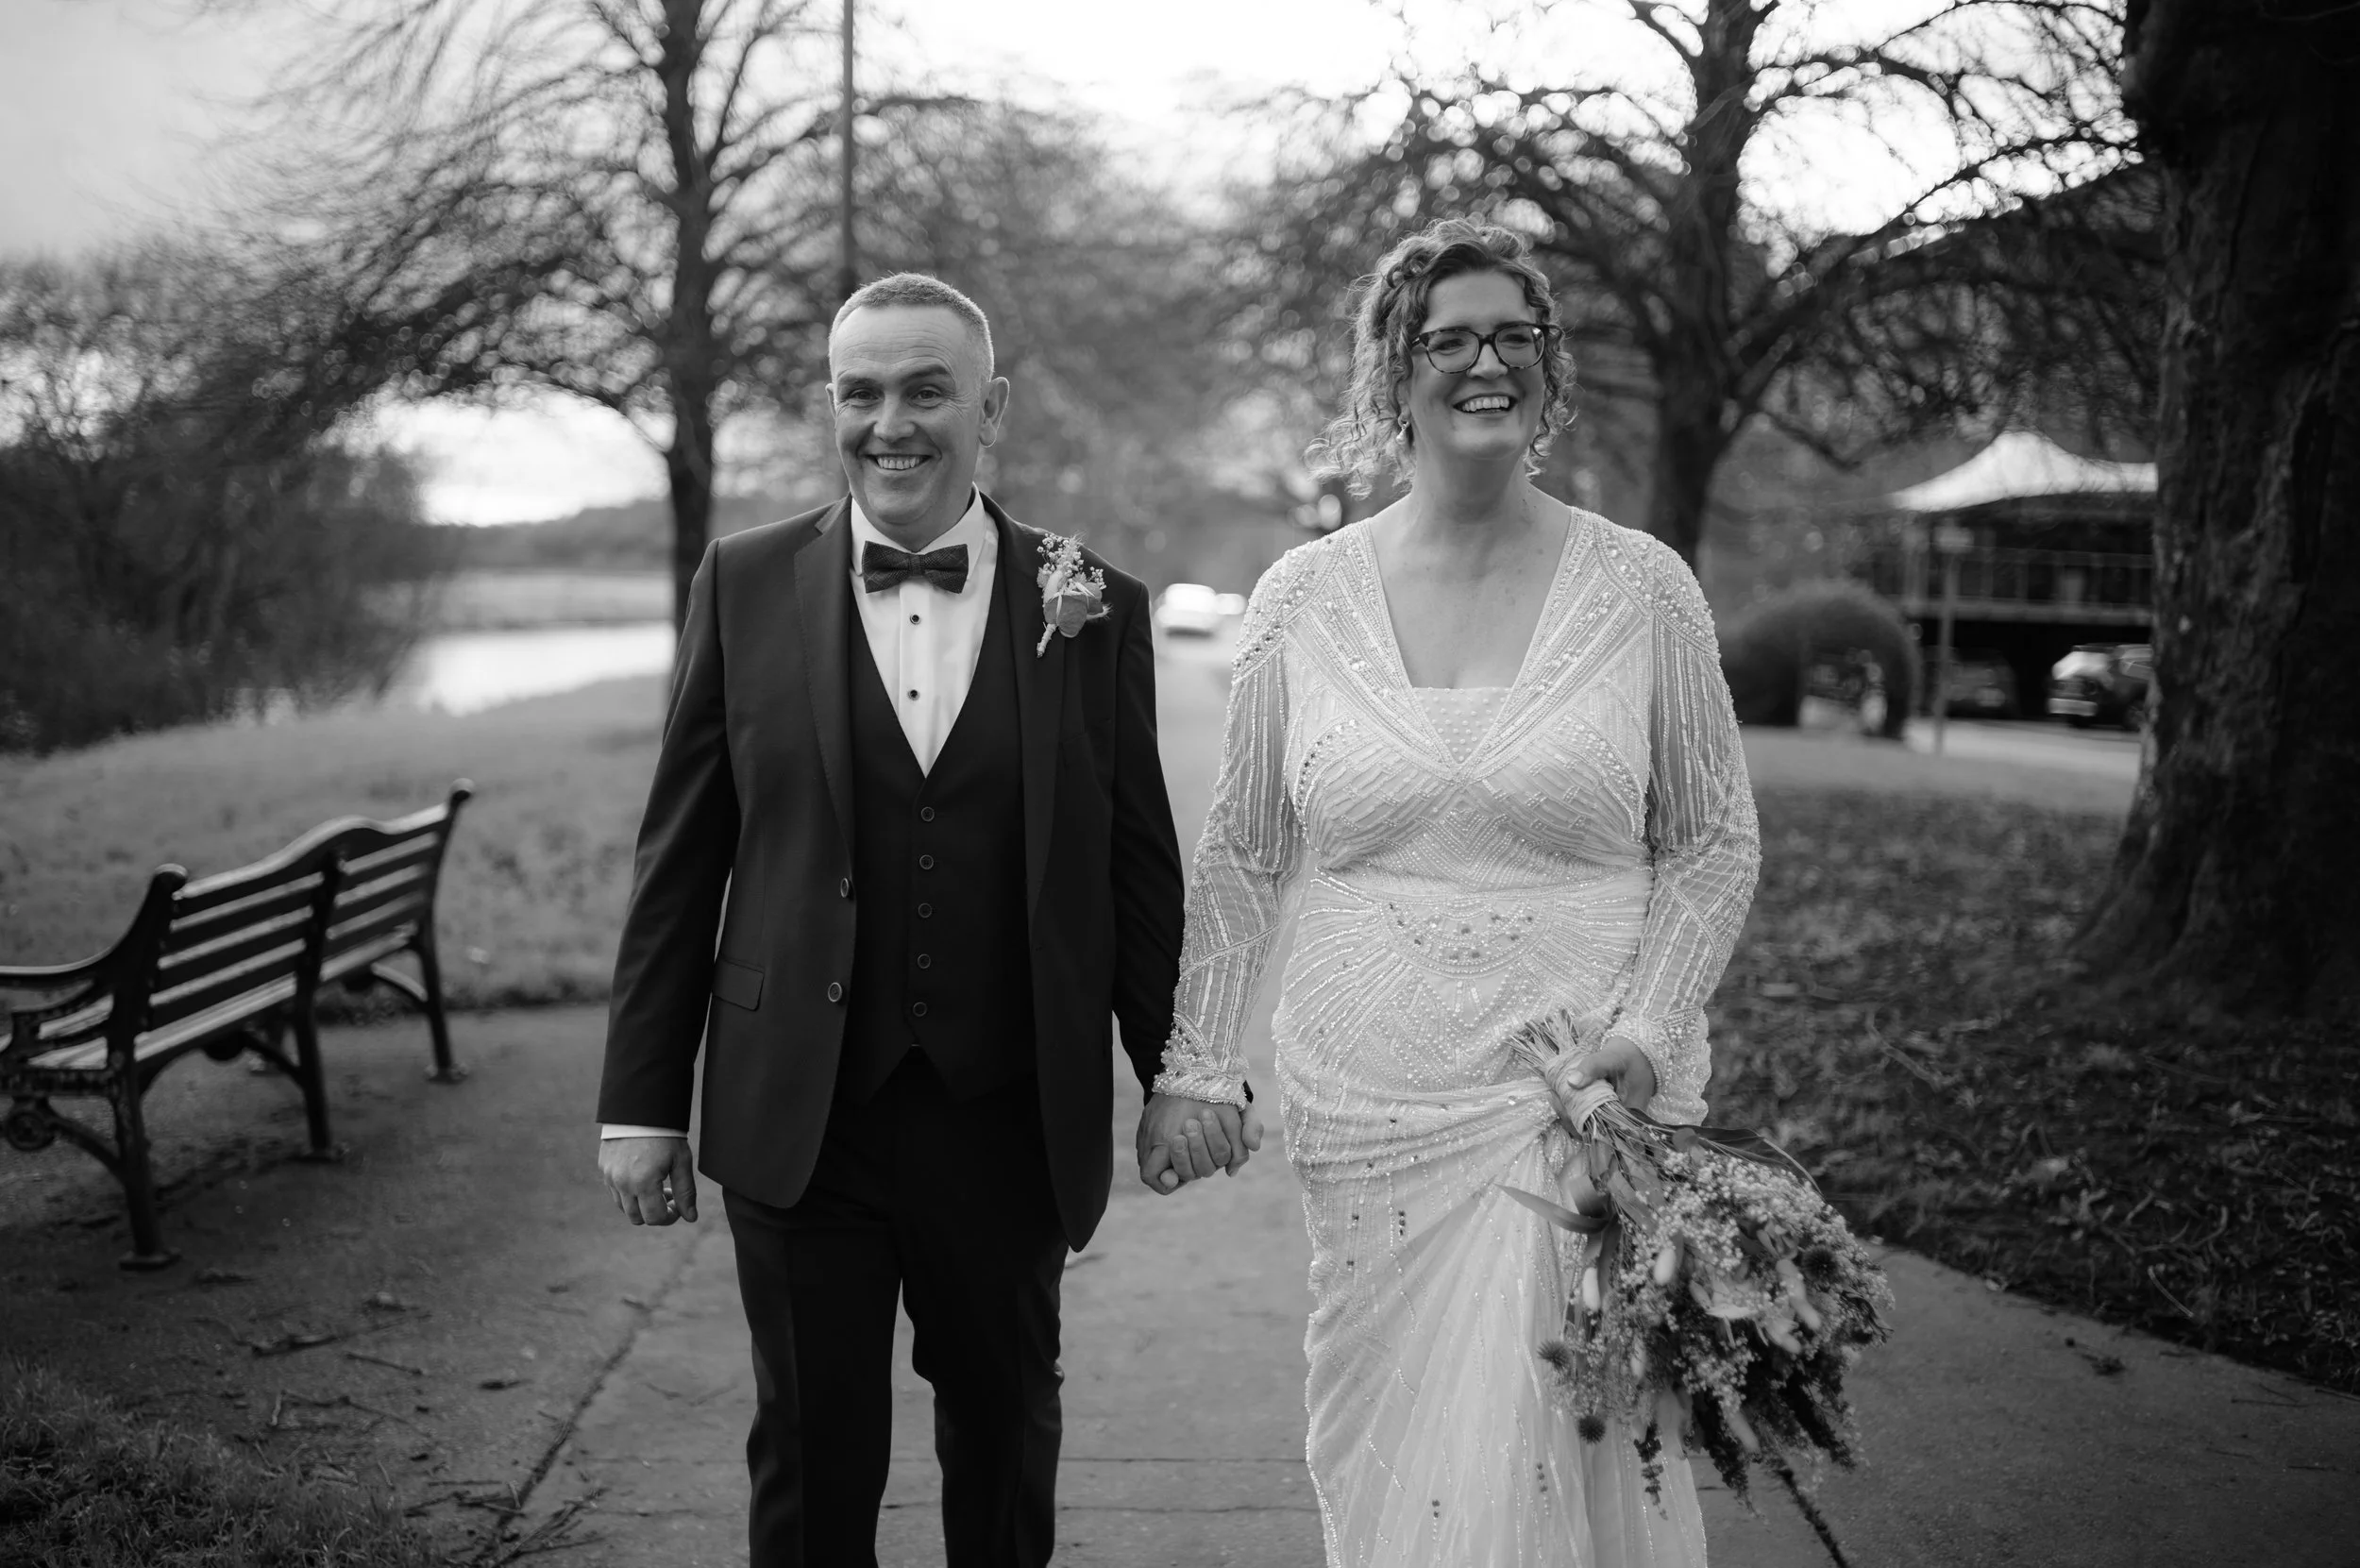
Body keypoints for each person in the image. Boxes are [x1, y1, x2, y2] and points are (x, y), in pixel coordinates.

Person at [593, 273, 1254, 1568]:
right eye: (861, 392)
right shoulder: (742, 582)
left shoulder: (1093, 602)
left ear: (989, 408)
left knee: (1006, 1445)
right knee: (810, 1456)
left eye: (925, 390)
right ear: (832, 406)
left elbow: (1135, 875)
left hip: (1005, 1117)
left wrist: (1180, 1072)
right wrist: (642, 1104)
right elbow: (682, 858)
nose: (889, 423)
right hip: (799, 1117)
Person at [1153, 218, 1761, 1564]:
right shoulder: (1302, 598)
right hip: (1370, 1115)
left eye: (1514, 337)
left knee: (1556, 1460)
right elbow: (1246, 852)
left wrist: (1647, 1037)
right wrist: (1197, 1064)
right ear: (1394, 371)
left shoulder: (1644, 589)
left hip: (1570, 1100)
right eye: (1449, 339)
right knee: (1390, 1469)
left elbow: (1715, 841)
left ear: (1548, 368)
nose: (1485, 362)